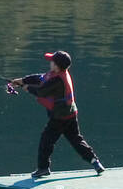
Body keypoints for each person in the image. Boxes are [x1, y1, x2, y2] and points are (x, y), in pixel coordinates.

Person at [9, 51, 104, 179]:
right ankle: (95, 162)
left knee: (46, 141)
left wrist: (27, 88)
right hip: (71, 114)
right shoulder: (59, 74)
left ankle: (43, 168)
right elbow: (40, 78)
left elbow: (41, 91)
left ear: (57, 66)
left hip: (59, 117)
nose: (50, 62)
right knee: (76, 140)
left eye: (52, 61)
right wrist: (22, 80)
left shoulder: (57, 80)